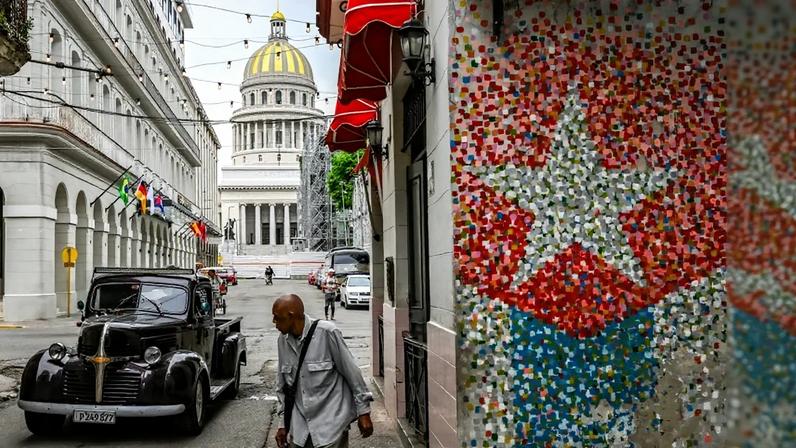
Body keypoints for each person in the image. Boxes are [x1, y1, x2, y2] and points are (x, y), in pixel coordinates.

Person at [272, 294, 374, 448]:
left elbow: (352, 374)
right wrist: (282, 424)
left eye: (277, 317)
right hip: (299, 430)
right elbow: (283, 386)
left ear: (291, 316)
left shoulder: (327, 333)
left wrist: (364, 412)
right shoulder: (282, 341)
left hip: (331, 427)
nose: (274, 322)